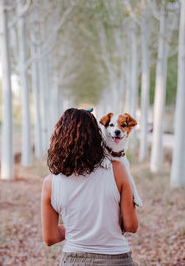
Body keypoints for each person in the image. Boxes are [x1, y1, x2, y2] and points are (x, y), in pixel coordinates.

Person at [41, 108, 138, 265]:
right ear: (97, 136)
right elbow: (131, 226)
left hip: (74, 260)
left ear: (58, 139)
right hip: (117, 259)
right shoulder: (118, 170)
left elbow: (50, 237)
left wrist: (77, 229)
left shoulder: (50, 183)